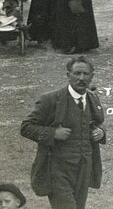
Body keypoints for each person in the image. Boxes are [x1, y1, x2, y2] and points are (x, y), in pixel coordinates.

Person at [21, 56, 107, 209]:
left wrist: (101, 131)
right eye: (77, 73)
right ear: (68, 75)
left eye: (86, 74)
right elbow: (26, 127)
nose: (81, 78)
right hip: (57, 168)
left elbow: (97, 122)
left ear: (92, 76)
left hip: (84, 167)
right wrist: (52, 133)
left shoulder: (92, 98)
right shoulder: (50, 99)